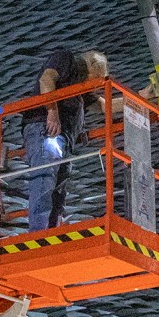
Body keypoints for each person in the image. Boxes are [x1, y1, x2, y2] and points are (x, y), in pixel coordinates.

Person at [23, 46, 109, 230]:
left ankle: (51, 232)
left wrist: (143, 97)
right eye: (98, 77)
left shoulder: (81, 89)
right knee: (44, 180)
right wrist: (52, 113)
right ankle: (38, 234)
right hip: (46, 129)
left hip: (64, 140)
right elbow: (46, 79)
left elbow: (105, 106)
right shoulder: (66, 58)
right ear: (92, 64)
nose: (98, 83)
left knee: (58, 191)